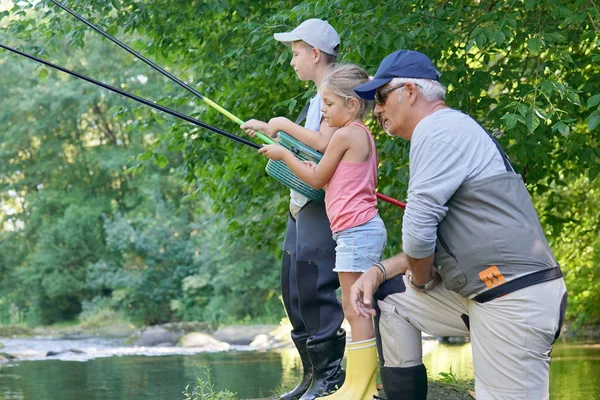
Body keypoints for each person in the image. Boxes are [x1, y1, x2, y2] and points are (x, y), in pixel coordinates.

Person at [349, 50, 568, 400]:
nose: (375, 109)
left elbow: (419, 234)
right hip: (484, 294)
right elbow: (431, 240)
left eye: (381, 96)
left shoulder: (438, 129)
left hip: (512, 298)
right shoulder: (448, 129)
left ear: (410, 91)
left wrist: (420, 279)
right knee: (392, 299)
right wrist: (380, 270)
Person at [259, 63, 387, 400]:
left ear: (352, 104)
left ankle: (360, 388)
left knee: (355, 307)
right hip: (356, 231)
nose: (324, 111)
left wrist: (284, 153)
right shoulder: (358, 134)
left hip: (356, 232)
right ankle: (363, 386)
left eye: (328, 104)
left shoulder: (347, 134)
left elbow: (314, 179)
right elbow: (329, 176)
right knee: (355, 306)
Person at [241, 19, 346, 400]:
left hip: (321, 204)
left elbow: (325, 147)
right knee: (292, 287)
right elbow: (309, 145)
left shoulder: (335, 93)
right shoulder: (316, 97)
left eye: (296, 53)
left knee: (314, 287)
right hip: (300, 204)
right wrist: (272, 130)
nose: (292, 62)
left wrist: (282, 127)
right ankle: (310, 376)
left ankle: (330, 379)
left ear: (315, 53)